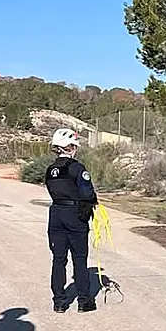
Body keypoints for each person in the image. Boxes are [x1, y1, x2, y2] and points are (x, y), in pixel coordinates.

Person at [45, 128, 98, 314]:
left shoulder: (50, 170)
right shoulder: (78, 168)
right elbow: (88, 194)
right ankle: (84, 301)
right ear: (71, 147)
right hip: (74, 215)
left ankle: (59, 301)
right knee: (79, 259)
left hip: (56, 214)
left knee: (58, 259)